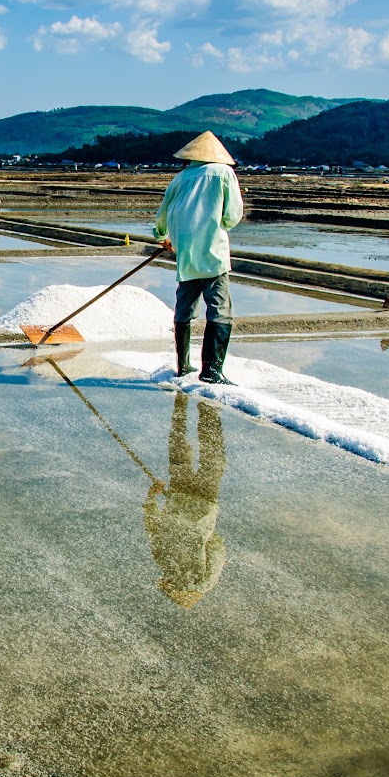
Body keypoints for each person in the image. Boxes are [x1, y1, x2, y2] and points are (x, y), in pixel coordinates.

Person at [153, 131, 244, 384]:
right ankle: (212, 372)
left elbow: (162, 215)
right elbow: (232, 216)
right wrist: (219, 223)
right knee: (220, 311)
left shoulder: (180, 178)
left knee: (184, 309)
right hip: (213, 253)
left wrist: (163, 237)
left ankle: (183, 367)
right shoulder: (224, 173)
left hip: (186, 255)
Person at [142, 393, 227, 608]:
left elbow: (217, 550)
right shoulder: (165, 566)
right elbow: (154, 530)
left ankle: (209, 410)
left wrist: (207, 532)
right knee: (179, 450)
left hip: (203, 507)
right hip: (178, 499)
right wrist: (152, 499)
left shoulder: (204, 582)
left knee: (211, 458)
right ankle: (181, 407)